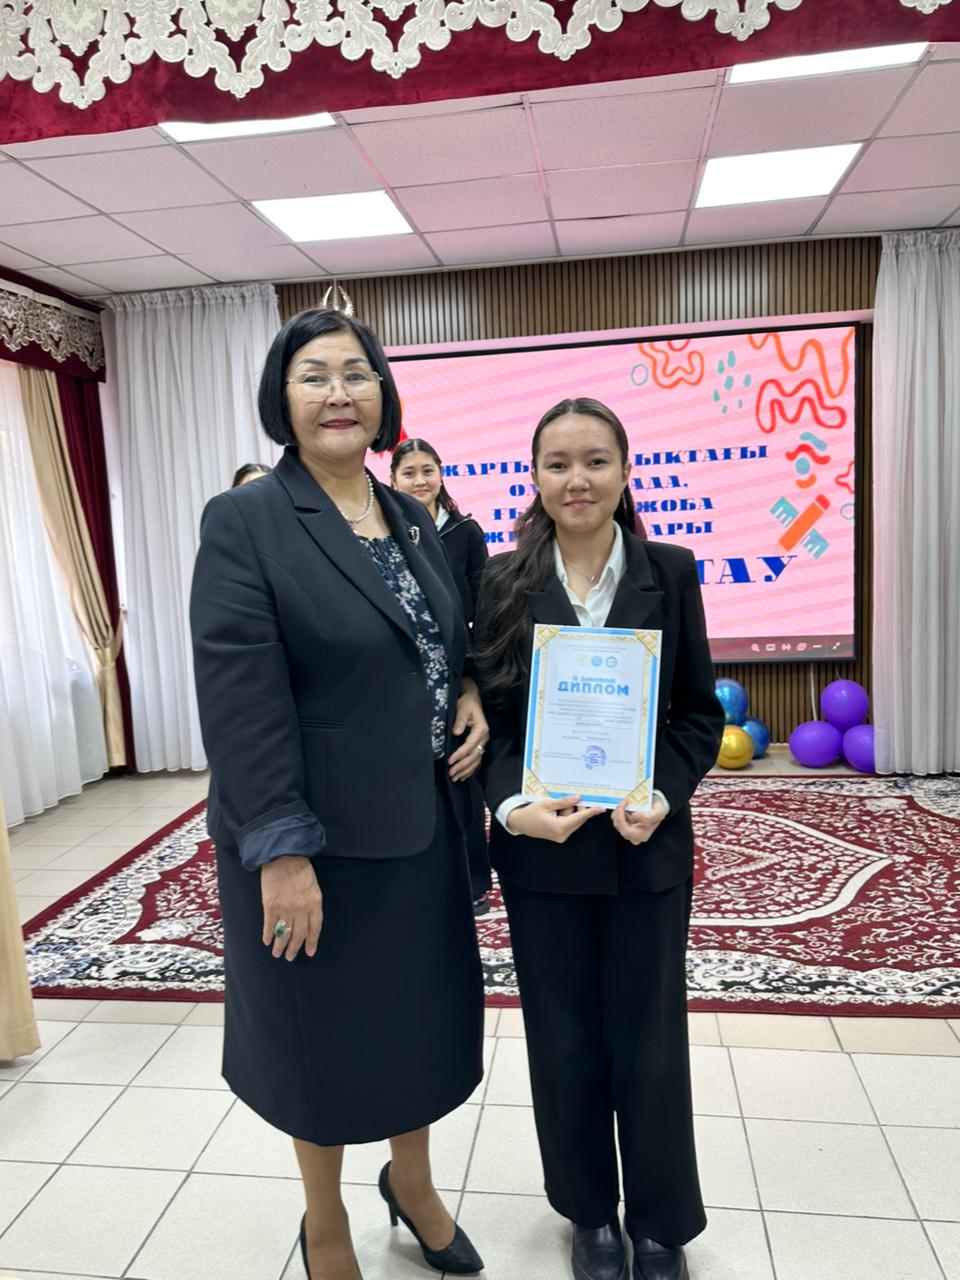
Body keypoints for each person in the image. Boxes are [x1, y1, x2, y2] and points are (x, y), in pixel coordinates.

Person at [191, 308, 488, 1280]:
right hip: (315, 843)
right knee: (319, 1045)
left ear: (382, 394)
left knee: (419, 1026)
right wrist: (281, 848)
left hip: (422, 831)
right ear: (282, 398)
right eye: (313, 374)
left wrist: (468, 689)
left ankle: (414, 1184)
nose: (338, 393)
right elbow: (241, 699)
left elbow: (437, 637)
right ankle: (325, 1221)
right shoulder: (246, 520)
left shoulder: (410, 515)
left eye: (356, 373)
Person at [475, 398, 723, 1280]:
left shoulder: (671, 571)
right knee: (564, 1038)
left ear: (624, 471)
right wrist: (512, 807)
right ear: (535, 478)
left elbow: (697, 715)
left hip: (644, 846)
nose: (576, 480)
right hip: (542, 855)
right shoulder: (501, 583)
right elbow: (491, 727)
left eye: (594, 461)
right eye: (557, 464)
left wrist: (663, 791)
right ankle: (589, 1215)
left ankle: (660, 1220)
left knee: (649, 1040)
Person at [391, 438, 492, 912]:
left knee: (461, 776)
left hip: (460, 669)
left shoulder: (465, 531)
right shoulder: (383, 532)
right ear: (393, 479)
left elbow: (485, 605)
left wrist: (475, 677)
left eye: (427, 470)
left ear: (441, 474)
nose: (419, 481)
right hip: (402, 675)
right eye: (409, 473)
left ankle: (473, 883)